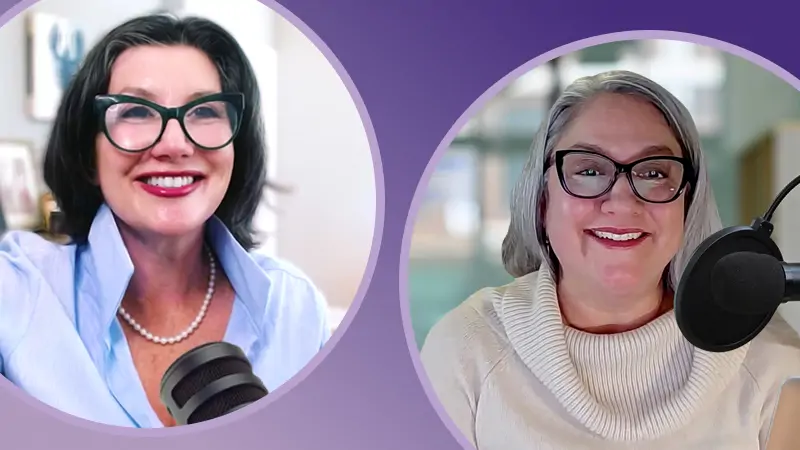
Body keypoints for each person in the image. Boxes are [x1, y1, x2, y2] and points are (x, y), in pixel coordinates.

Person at [421, 70, 800, 449]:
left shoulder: (771, 358)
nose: (621, 201)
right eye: (588, 170)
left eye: (653, 172)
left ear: (688, 204)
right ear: (541, 201)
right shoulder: (466, 351)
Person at [0, 14, 330, 428]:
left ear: (236, 149)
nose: (174, 144)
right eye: (136, 112)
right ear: (88, 153)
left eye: (205, 111)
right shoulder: (16, 291)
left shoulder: (296, 309)